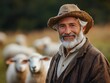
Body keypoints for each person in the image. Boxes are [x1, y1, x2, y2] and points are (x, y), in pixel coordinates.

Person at [46, 4, 110, 83]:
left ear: (83, 28)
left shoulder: (96, 59)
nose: (67, 31)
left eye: (72, 25)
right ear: (58, 29)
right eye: (62, 26)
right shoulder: (56, 58)